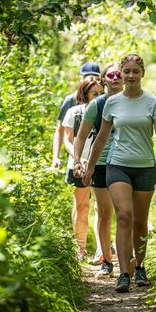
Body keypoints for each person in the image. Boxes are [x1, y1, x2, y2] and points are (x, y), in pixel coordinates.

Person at [82, 54, 156, 293]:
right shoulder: (112, 102)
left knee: (140, 221)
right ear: (120, 74)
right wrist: (89, 167)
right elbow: (100, 138)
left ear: (142, 74)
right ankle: (123, 273)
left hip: (144, 167)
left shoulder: (152, 101)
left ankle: (139, 267)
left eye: (135, 72)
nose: (130, 76)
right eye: (126, 72)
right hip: (117, 164)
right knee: (124, 216)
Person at [73, 62, 124, 278]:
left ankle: (128, 261)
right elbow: (81, 136)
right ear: (103, 80)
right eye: (111, 74)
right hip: (101, 162)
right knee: (104, 213)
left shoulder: (134, 102)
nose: (115, 77)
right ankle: (106, 261)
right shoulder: (97, 104)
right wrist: (78, 160)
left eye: (118, 74)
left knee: (125, 214)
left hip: (125, 161)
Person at [51, 62, 102, 259]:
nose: (97, 94)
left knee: (100, 207)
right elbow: (64, 136)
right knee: (82, 206)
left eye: (99, 91)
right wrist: (70, 159)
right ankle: (80, 248)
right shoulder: (71, 107)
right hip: (78, 164)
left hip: (101, 164)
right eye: (93, 92)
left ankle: (101, 249)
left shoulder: (106, 108)